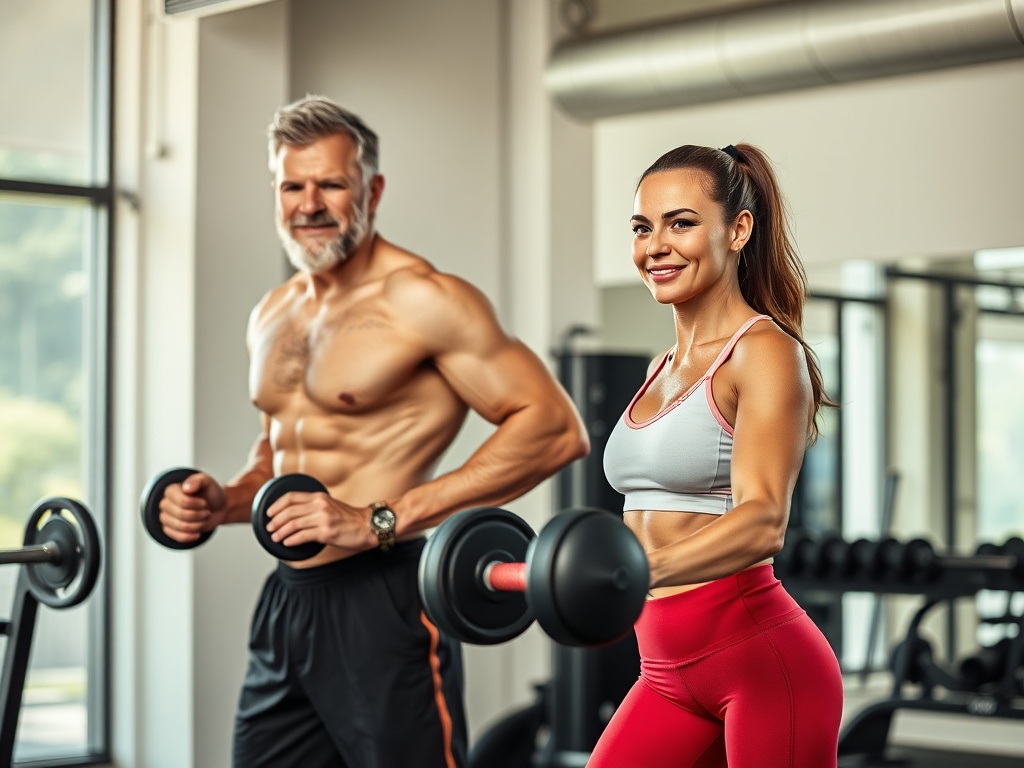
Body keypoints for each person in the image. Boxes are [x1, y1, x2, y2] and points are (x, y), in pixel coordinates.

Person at [154, 95, 590, 768]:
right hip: (288, 602)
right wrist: (223, 500)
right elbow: (278, 458)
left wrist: (381, 518)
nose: (310, 204)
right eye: (292, 186)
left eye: (331, 183)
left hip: (384, 599)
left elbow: (555, 429)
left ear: (372, 189)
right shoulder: (273, 313)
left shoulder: (424, 299)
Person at [592, 143, 843, 768]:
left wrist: (632, 575)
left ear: (739, 229)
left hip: (759, 664)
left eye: (681, 223)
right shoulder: (661, 367)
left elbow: (763, 519)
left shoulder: (763, 351)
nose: (656, 245)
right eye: (642, 228)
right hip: (665, 670)